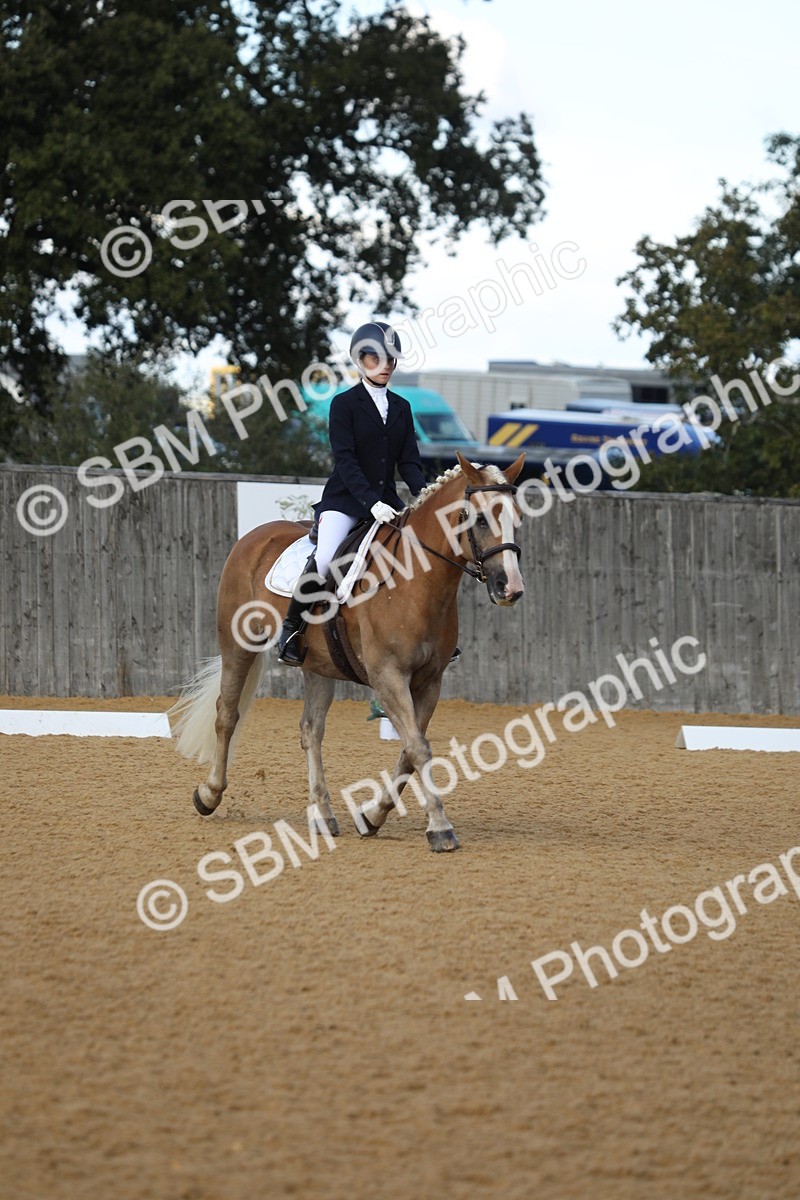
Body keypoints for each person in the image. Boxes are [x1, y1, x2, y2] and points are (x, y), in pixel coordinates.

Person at [277, 320, 427, 665]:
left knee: (418, 553)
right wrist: (369, 502)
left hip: (387, 503)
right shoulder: (343, 404)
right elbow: (345, 461)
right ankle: (292, 627)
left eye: (392, 359)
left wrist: (424, 497)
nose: (388, 365)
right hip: (345, 500)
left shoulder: (402, 408)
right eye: (379, 359)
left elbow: (410, 464)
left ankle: (422, 632)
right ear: (361, 361)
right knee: (328, 556)